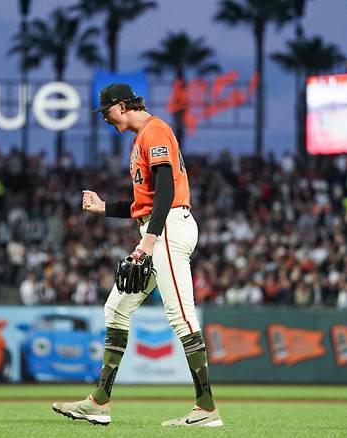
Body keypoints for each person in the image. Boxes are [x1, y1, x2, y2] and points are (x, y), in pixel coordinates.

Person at [51, 83, 223, 427]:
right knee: (116, 308)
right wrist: (104, 208)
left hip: (169, 227)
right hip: (157, 226)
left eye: (107, 112)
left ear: (123, 106)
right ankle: (99, 402)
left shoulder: (155, 130)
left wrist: (148, 241)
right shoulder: (141, 137)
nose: (105, 119)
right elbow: (144, 203)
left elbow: (166, 193)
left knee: (181, 316)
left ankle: (206, 409)